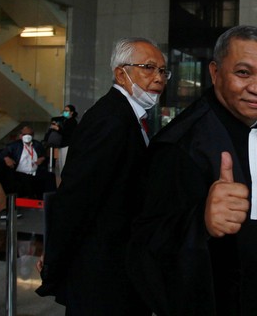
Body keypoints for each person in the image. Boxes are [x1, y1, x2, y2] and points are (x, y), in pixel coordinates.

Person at [127, 25, 257, 315]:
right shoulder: (179, 146)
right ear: (215, 73)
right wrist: (201, 223)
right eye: (243, 73)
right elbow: (144, 249)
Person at [35, 37, 168, 315]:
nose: (158, 77)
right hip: (100, 270)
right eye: (148, 67)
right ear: (121, 73)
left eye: (163, 71)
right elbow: (77, 194)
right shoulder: (110, 119)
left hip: (122, 263)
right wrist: (54, 255)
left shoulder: (131, 116)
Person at [0, 126, 47, 199]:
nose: (27, 136)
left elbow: (44, 154)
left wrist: (42, 158)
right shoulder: (14, 145)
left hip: (35, 171)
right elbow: (1, 154)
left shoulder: (37, 144)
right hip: (20, 173)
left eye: (30, 134)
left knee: (45, 180)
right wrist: (6, 158)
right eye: (25, 134)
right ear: (20, 135)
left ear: (33, 135)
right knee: (26, 183)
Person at [45, 104, 79, 175]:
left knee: (64, 163)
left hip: (67, 145)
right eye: (64, 110)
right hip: (62, 144)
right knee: (60, 164)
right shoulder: (65, 120)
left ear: (71, 112)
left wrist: (58, 129)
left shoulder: (72, 122)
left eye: (67, 111)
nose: (65, 112)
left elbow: (67, 133)